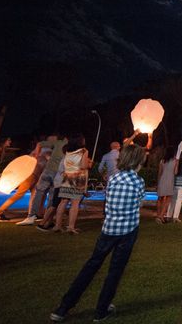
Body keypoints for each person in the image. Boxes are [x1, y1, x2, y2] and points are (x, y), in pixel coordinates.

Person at [49, 144, 146, 323]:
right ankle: (101, 310)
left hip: (108, 230)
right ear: (138, 161)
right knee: (115, 271)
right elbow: (139, 204)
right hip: (128, 231)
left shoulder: (114, 178)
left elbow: (109, 201)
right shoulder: (138, 181)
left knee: (91, 266)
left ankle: (63, 308)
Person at [16, 135, 68, 226]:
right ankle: (47, 219)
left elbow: (39, 144)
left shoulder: (58, 143)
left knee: (39, 192)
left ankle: (31, 216)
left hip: (48, 171)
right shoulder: (72, 147)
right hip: (59, 173)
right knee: (52, 196)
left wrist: (36, 155)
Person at [0, 147, 50, 222]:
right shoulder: (44, 152)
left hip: (34, 176)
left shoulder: (40, 152)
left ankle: (32, 215)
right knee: (19, 195)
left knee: (33, 195)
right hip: (31, 176)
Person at [54, 135, 93, 234]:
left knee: (63, 202)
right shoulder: (84, 151)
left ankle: (57, 226)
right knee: (75, 203)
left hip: (67, 177)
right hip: (77, 178)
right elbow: (83, 166)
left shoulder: (68, 151)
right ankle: (71, 227)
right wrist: (89, 164)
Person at [36, 157, 67, 231]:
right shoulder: (66, 159)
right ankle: (42, 224)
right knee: (54, 205)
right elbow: (64, 172)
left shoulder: (64, 159)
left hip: (59, 183)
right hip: (60, 184)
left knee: (55, 205)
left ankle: (48, 223)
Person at [156, 147, 176, 224]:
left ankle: (158, 215)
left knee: (160, 198)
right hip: (170, 181)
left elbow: (159, 173)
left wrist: (158, 183)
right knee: (168, 199)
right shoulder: (174, 161)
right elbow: (175, 172)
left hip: (162, 180)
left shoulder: (162, 161)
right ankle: (161, 216)